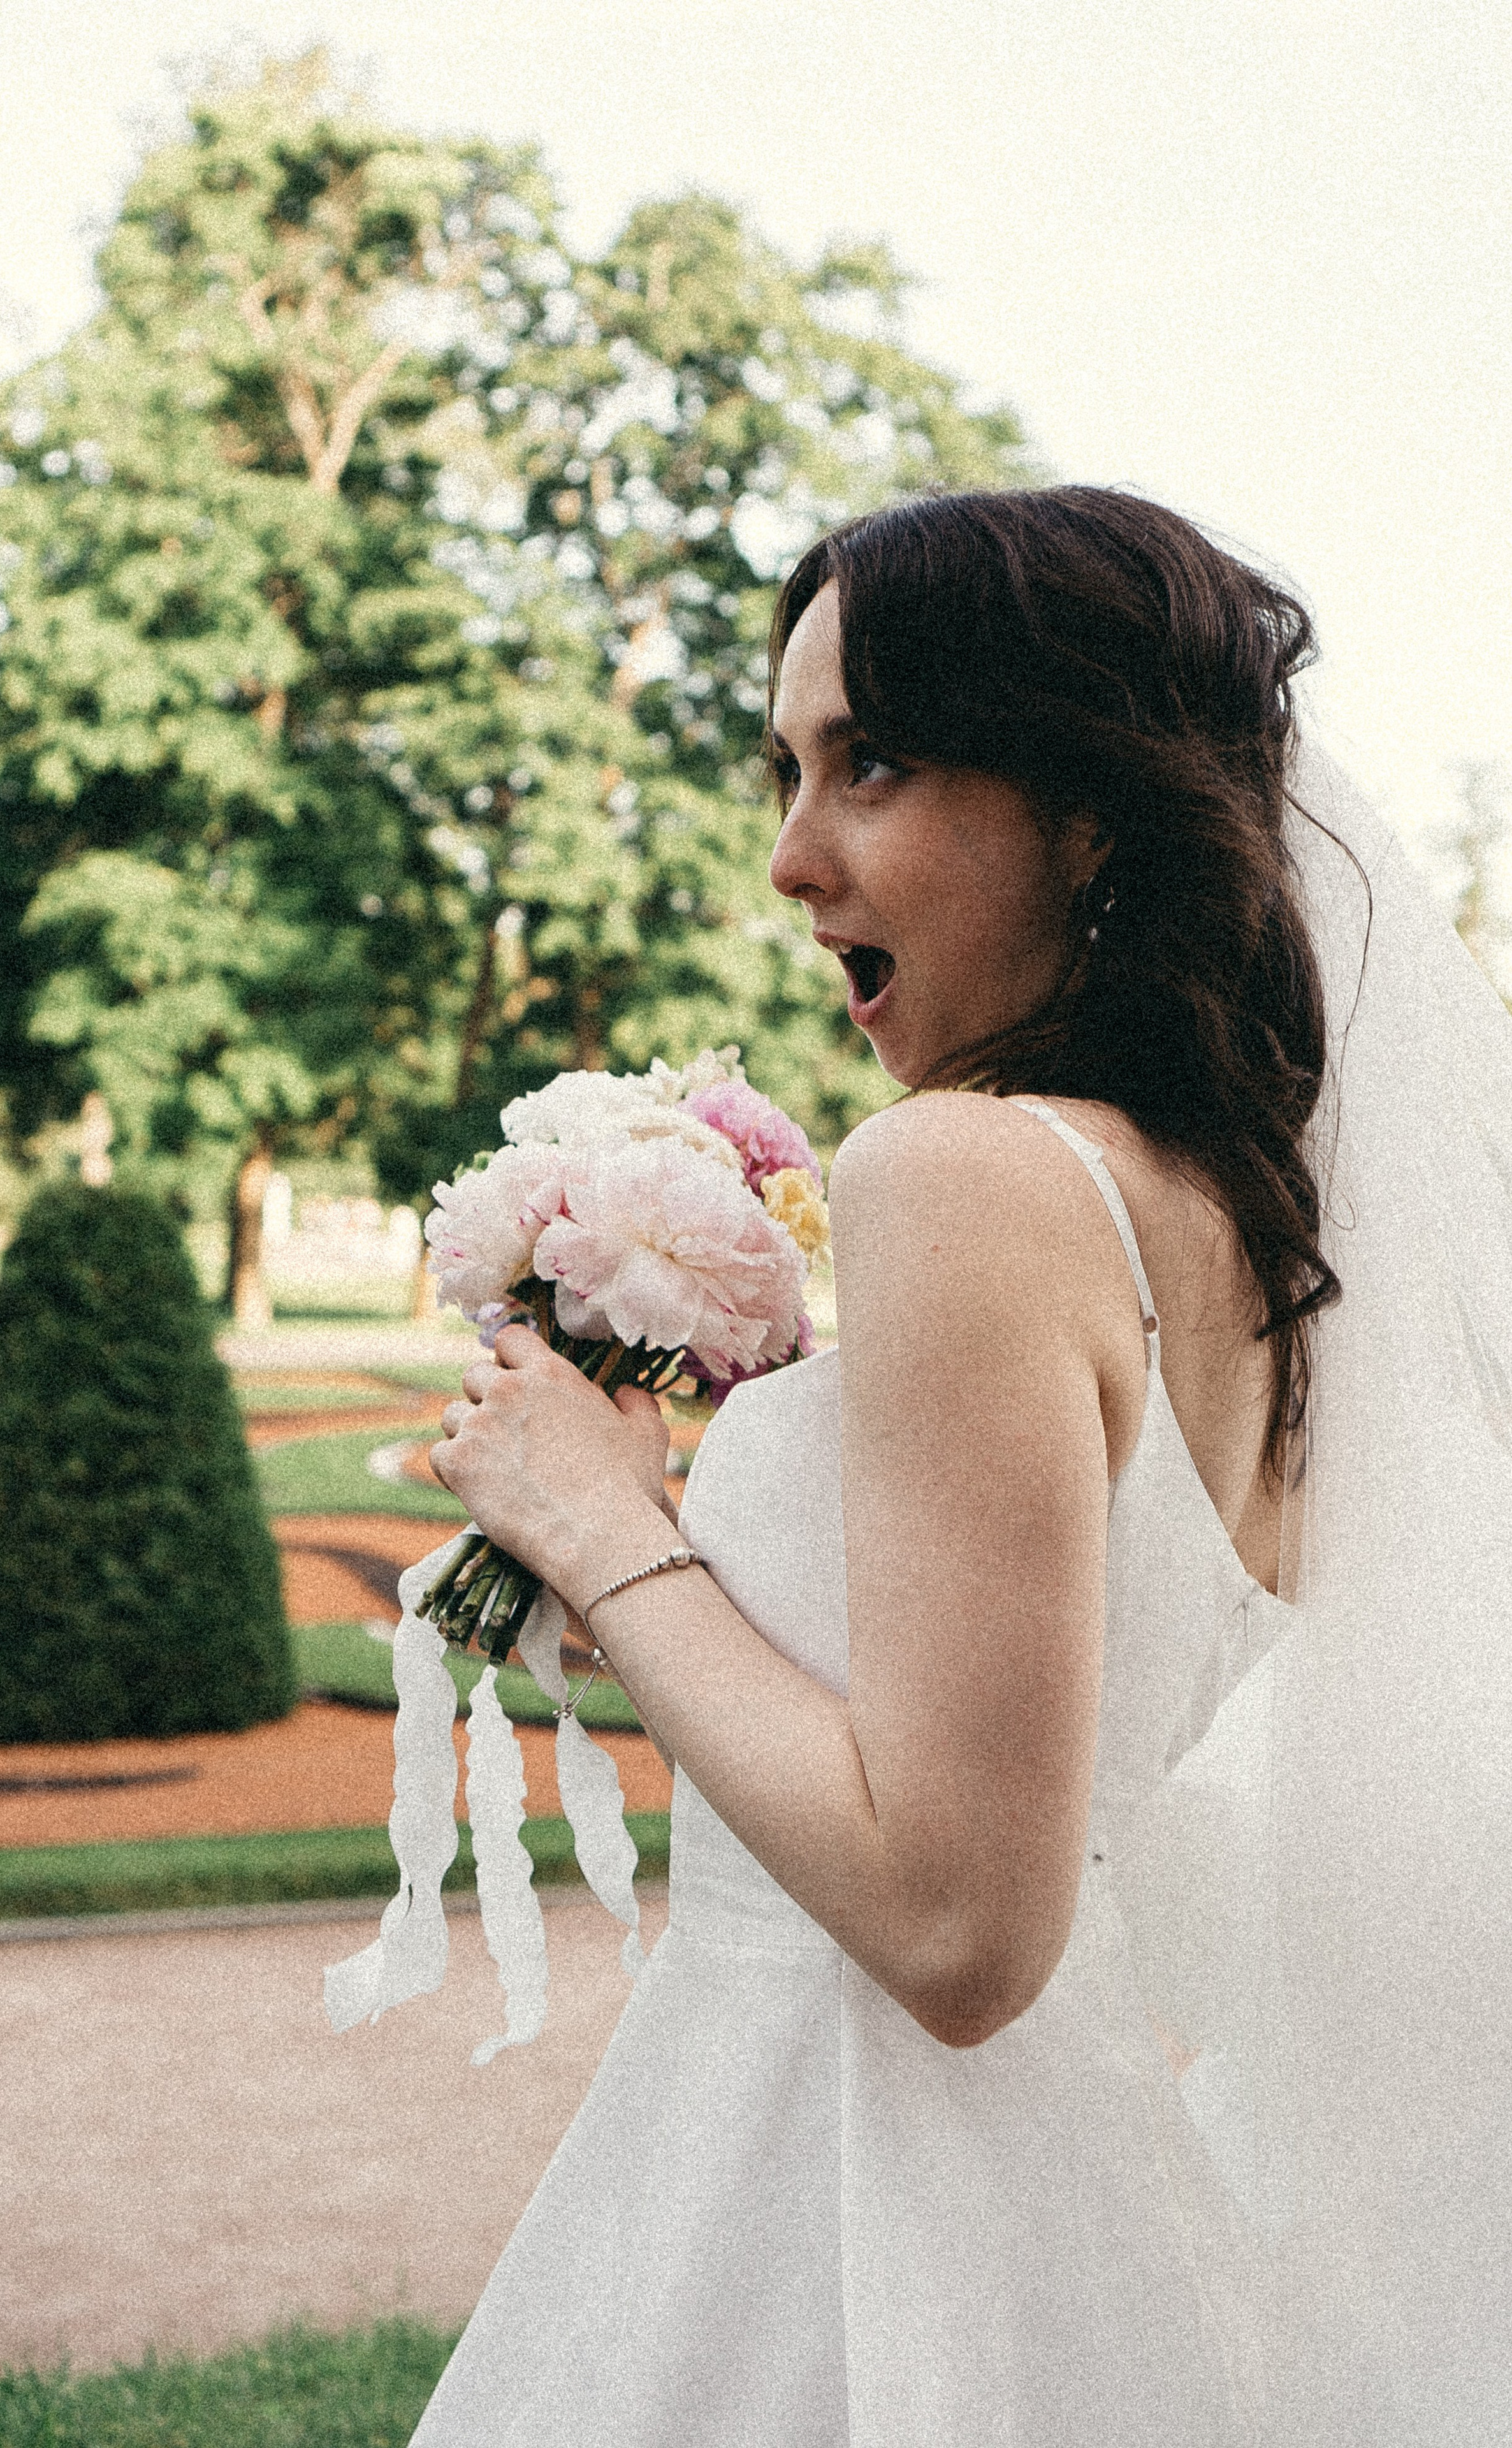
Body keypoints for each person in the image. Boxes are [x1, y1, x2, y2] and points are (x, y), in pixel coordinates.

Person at [413, 488, 1512, 2444]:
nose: (789, 856)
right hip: (1069, 2202)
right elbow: (989, 1757)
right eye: (787, 767)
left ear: (1092, 811)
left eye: (876, 766)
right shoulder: (1235, 1232)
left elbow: (953, 1927)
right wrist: (644, 1577)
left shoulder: (967, 1173)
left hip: (842, 2194)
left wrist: (596, 1515)